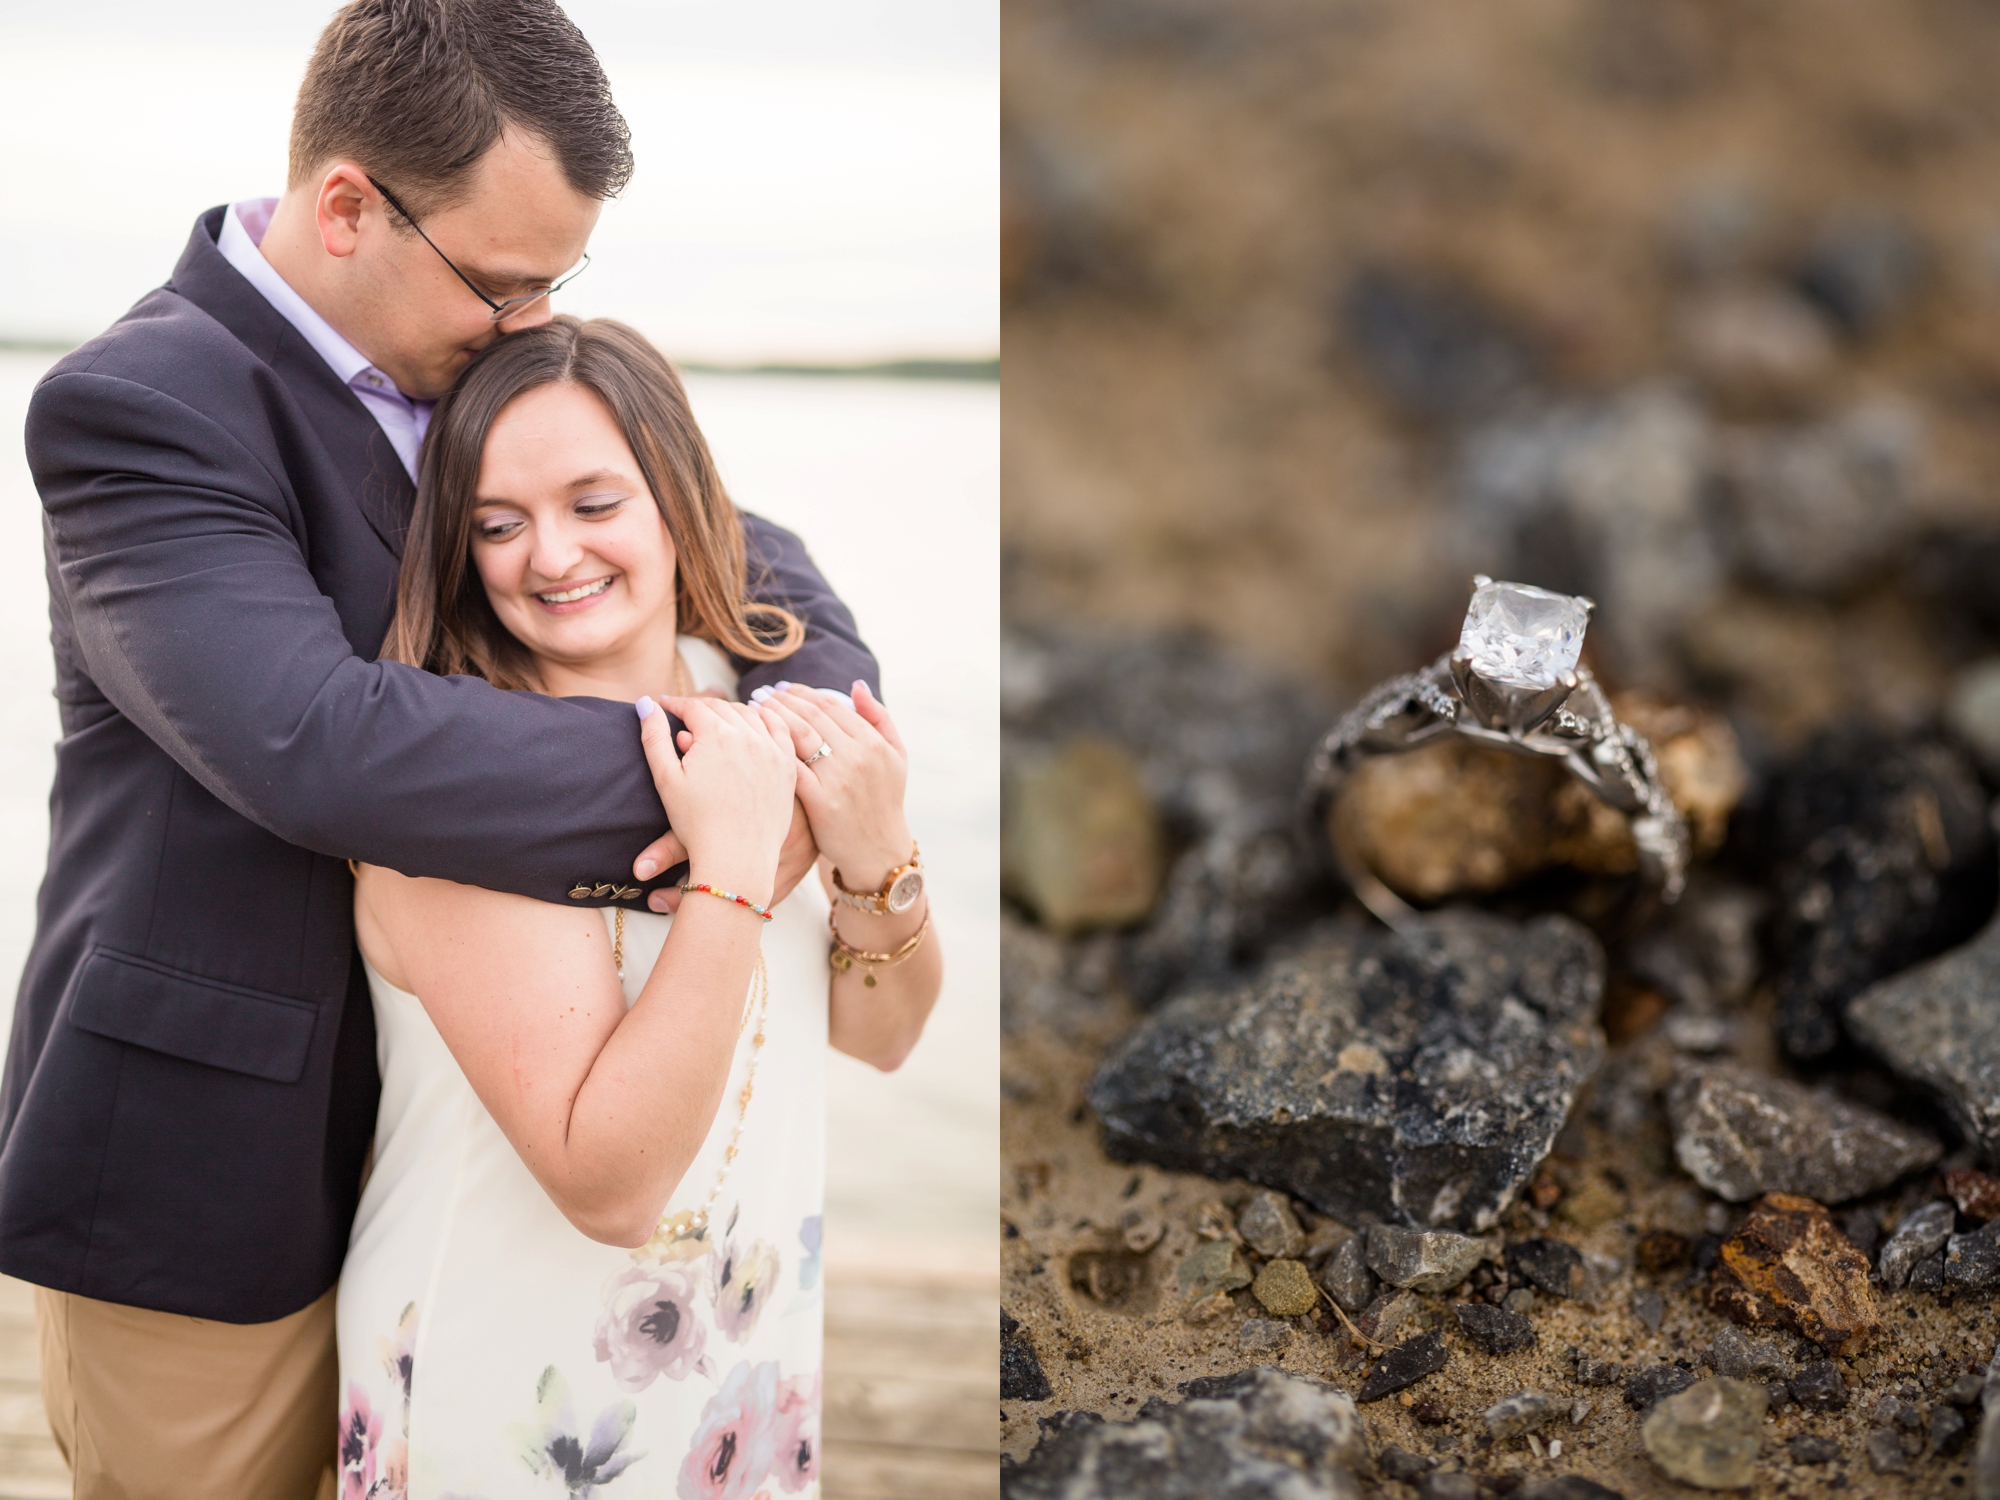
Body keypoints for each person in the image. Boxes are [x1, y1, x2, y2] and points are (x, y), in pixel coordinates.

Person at [7, 2, 876, 1494]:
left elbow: (742, 561)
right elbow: (321, 747)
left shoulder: (472, 353)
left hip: (467, 1149)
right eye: (504, 280)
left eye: (558, 283)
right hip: (213, 1162)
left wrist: (818, 748)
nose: (530, 319)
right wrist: (729, 803)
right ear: (348, 207)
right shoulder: (140, 409)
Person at [338, 314, 939, 1499]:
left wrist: (875, 854)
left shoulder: (754, 702)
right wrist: (725, 874)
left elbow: (881, 1035)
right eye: (496, 525)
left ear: (679, 496)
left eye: (593, 503)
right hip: (508, 1394)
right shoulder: (451, 787)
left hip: (740, 1360)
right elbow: (607, 1185)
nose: (548, 557)